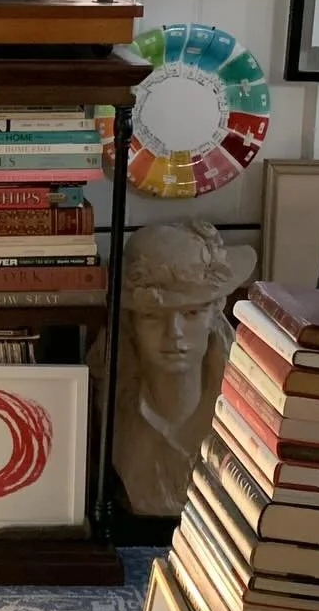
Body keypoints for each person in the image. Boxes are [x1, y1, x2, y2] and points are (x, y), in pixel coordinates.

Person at [105, 221, 255, 517]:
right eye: (152, 316)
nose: (173, 332)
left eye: (190, 313)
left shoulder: (243, 419)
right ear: (131, 324)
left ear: (215, 314)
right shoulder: (113, 416)